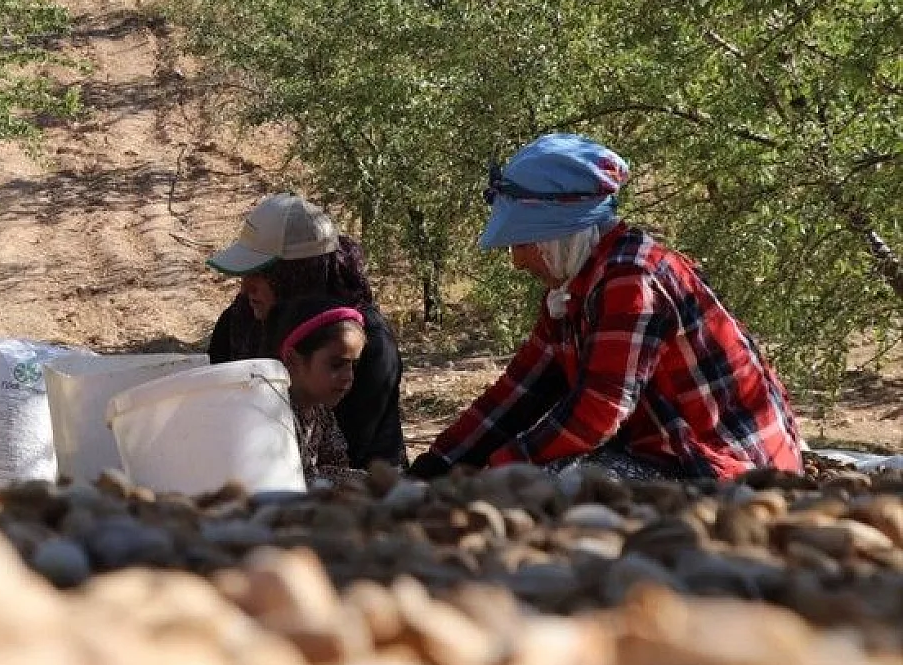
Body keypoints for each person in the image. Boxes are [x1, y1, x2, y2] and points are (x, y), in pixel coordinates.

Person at [408, 133, 803, 482]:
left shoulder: (630, 277)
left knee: (559, 484)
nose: (517, 261)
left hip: (731, 469)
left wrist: (500, 468)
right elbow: (521, 391)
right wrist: (441, 461)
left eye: (522, 243)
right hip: (674, 455)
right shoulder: (576, 288)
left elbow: (599, 409)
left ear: (557, 236)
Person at [206, 192, 407, 469]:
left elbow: (348, 454)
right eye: (245, 273)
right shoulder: (239, 323)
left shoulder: (360, 340)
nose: (246, 287)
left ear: (296, 274)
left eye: (262, 274)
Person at [270, 294, 369, 486]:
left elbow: (337, 466)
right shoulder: (275, 417)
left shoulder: (321, 413)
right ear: (292, 360)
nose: (348, 376)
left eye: (353, 365)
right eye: (336, 364)